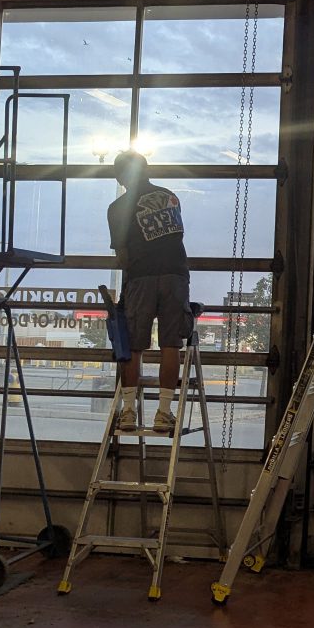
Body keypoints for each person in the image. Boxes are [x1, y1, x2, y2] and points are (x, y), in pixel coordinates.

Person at [107, 150, 192, 433]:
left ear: (120, 177)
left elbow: (123, 256)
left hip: (141, 278)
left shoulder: (117, 208)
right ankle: (164, 413)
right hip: (175, 276)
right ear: (147, 170)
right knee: (171, 344)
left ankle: (129, 412)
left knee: (133, 346)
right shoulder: (170, 196)